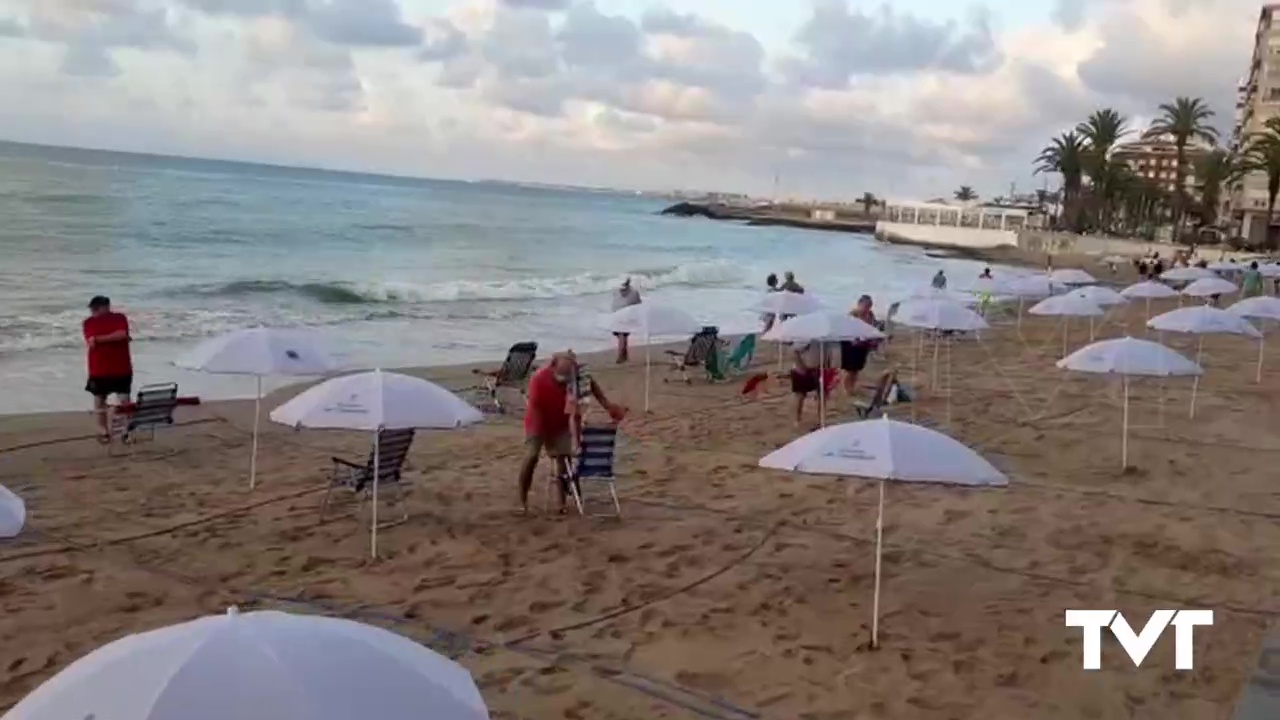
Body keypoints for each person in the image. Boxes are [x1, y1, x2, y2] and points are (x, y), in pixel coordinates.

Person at [517, 351, 625, 515]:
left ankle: (562, 503)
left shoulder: (577, 374)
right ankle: (522, 499)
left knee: (564, 458)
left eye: (568, 377)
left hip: (561, 422)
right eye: (562, 377)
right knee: (532, 455)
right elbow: (537, 412)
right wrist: (547, 441)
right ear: (552, 367)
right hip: (538, 421)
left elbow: (590, 385)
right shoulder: (538, 380)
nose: (564, 381)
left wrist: (607, 405)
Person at [82, 295, 133, 444]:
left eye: (96, 308)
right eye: (92, 308)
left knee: (124, 401)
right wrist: (114, 337)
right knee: (99, 400)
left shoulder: (119, 318)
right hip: (99, 368)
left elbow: (122, 334)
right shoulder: (89, 322)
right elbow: (91, 341)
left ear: (106, 307)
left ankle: (125, 430)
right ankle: (103, 430)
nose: (93, 311)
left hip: (120, 367)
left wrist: (99, 339)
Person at [840, 295, 879, 397]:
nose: (867, 308)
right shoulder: (853, 315)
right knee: (850, 370)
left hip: (863, 345)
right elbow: (845, 329)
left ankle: (852, 386)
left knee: (857, 369)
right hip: (851, 345)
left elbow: (873, 328)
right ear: (859, 304)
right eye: (865, 305)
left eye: (869, 306)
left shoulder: (870, 315)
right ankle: (847, 388)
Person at [789, 341, 831, 426]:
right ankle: (797, 419)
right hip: (803, 369)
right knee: (800, 395)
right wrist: (800, 366)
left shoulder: (825, 337)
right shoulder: (806, 338)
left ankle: (821, 419)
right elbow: (793, 350)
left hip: (819, 368)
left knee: (823, 394)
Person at [611, 278, 641, 363]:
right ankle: (624, 354)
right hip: (618, 315)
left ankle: (621, 356)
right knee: (622, 336)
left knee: (622, 335)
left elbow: (637, 304)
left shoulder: (632, 292)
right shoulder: (618, 291)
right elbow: (638, 303)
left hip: (625, 315)